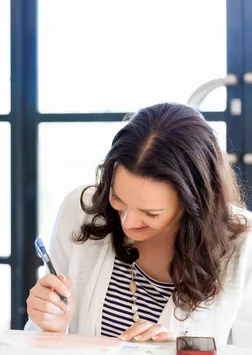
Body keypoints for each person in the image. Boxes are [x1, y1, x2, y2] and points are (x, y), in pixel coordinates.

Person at [25, 103, 252, 347]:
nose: (128, 223)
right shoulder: (81, 211)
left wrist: (189, 351)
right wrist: (51, 326)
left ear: (194, 202)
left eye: (150, 213)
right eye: (118, 199)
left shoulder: (244, 246)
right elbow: (38, 341)